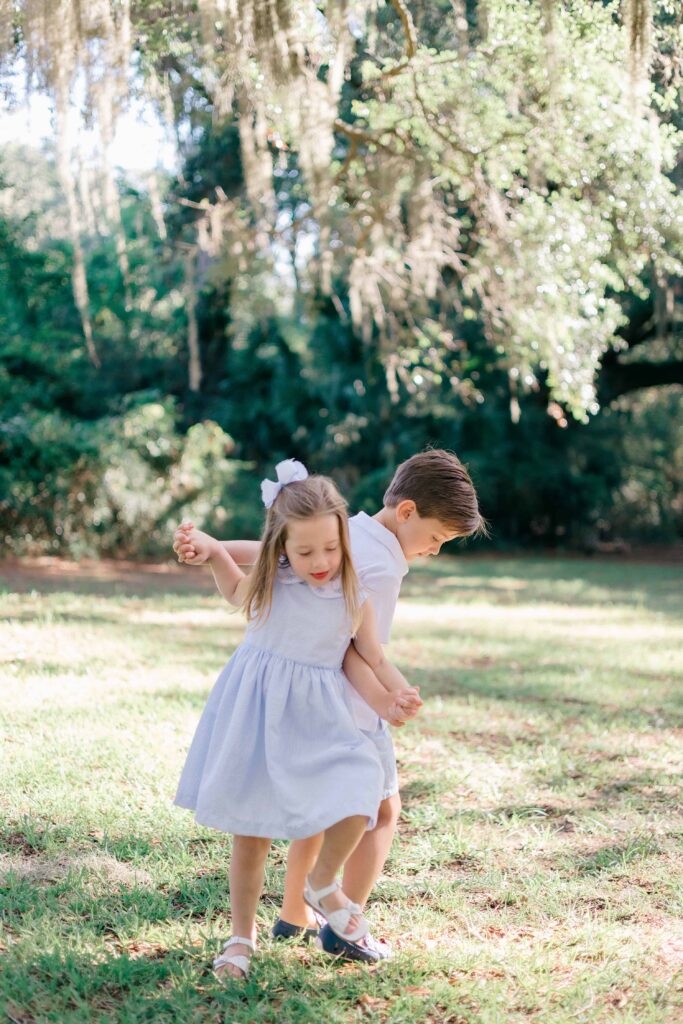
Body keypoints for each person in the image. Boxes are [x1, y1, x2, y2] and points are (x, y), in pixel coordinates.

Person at [176, 448, 484, 961]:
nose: (433, 551)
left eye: (327, 551)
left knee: (323, 807)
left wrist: (394, 693)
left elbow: (369, 649)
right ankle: (319, 920)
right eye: (436, 539)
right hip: (302, 701)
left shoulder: (352, 547)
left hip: (320, 693)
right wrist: (211, 551)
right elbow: (271, 572)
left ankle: (303, 907)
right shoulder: (369, 566)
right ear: (407, 512)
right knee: (358, 809)